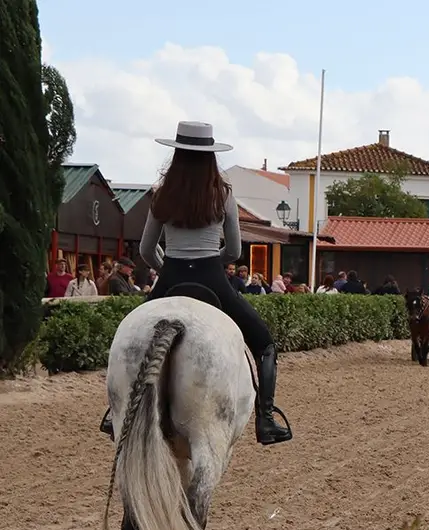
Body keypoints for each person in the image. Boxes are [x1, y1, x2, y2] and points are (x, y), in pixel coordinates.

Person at [98, 121, 292, 446]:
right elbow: (234, 251)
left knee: (130, 340)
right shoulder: (223, 194)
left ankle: (115, 411)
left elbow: (146, 249)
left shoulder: (162, 194)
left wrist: (167, 268)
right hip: (212, 279)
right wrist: (212, 260)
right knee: (265, 345)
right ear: (210, 155)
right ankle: (266, 419)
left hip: (171, 278)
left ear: (177, 153)